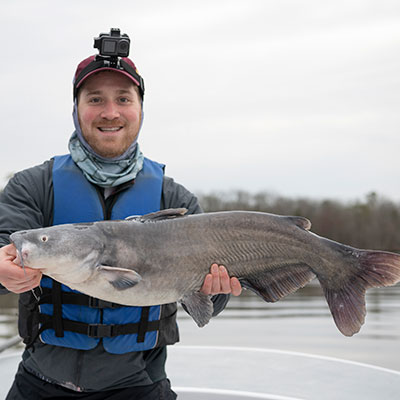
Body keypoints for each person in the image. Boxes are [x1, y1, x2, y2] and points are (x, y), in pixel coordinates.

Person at [0, 30, 242, 399]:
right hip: (39, 383)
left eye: (123, 99)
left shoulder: (175, 198)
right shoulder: (33, 186)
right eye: (95, 99)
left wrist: (217, 290)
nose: (110, 112)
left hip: (140, 385)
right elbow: (4, 247)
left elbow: (213, 299)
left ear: (140, 110)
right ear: (76, 109)